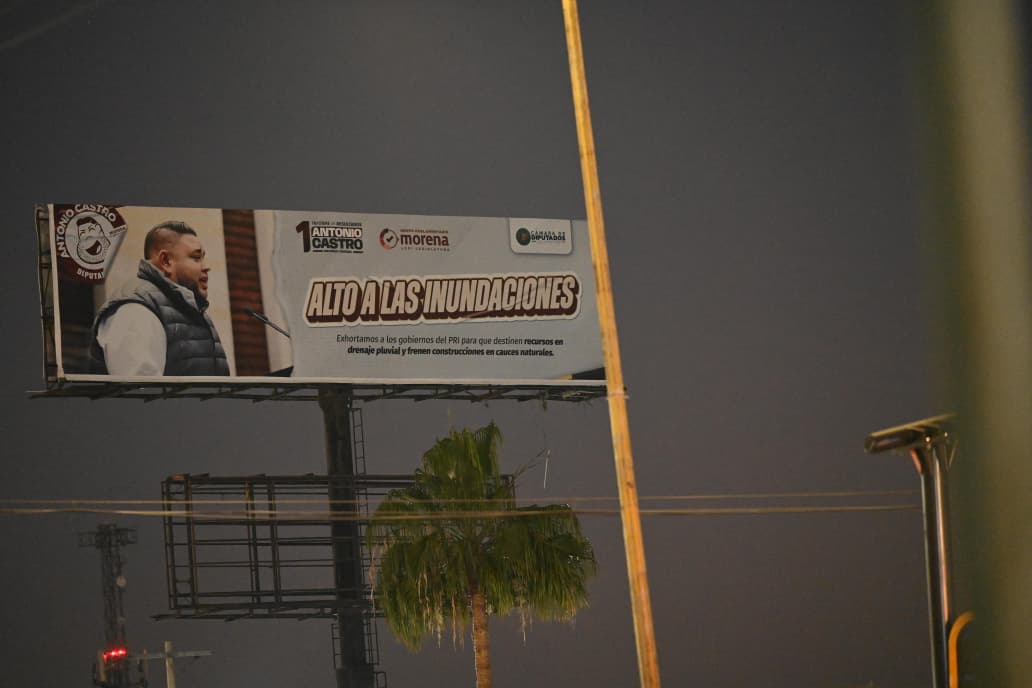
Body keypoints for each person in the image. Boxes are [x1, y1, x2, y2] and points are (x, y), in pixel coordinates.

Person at [89, 220, 230, 376]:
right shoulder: (136, 310)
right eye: (196, 258)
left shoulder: (191, 310)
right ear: (166, 261)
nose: (206, 267)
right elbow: (139, 389)